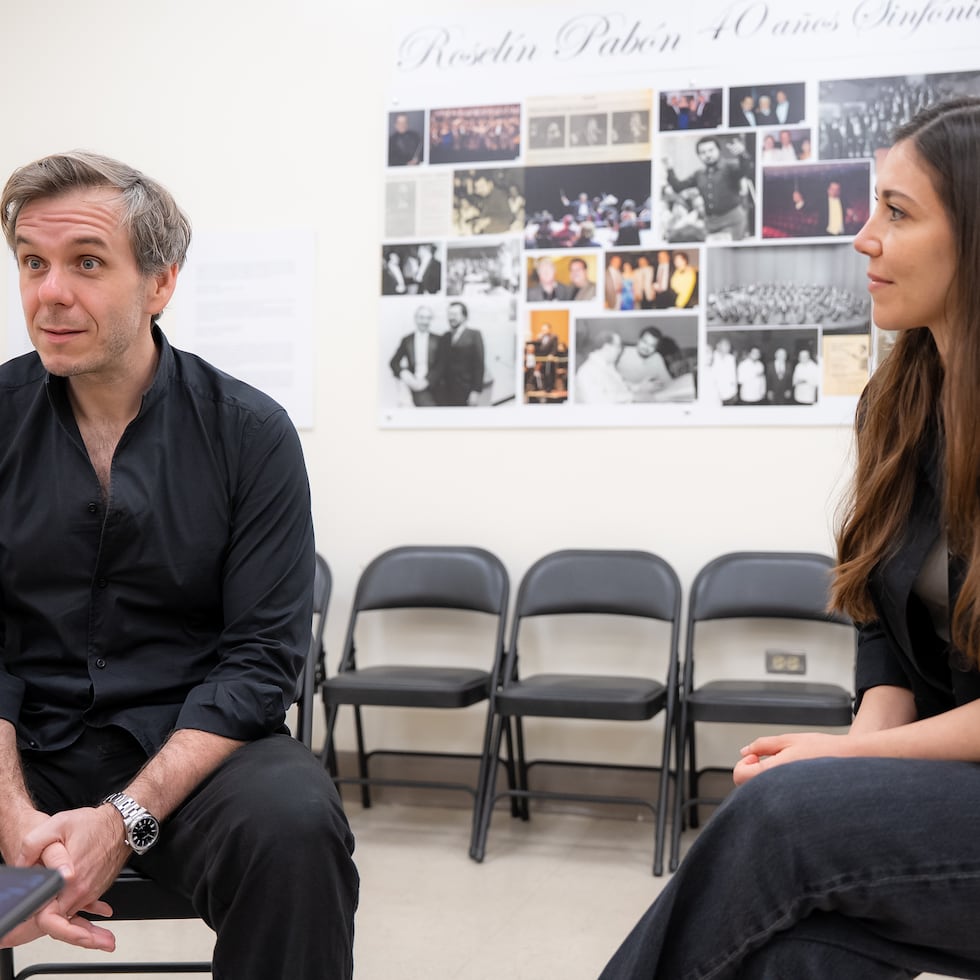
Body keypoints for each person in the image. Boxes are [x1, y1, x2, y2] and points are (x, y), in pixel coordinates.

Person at [601, 96, 980, 980]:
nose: (864, 239)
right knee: (801, 957)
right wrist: (857, 750)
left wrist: (850, 760)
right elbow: (886, 631)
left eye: (897, 212)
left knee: (784, 815)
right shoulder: (904, 405)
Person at [0, 151, 357, 976]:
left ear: (160, 284)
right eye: (32, 262)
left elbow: (262, 661)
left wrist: (123, 817)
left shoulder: (250, 434)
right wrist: (15, 818)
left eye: (86, 263)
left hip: (190, 749)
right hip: (25, 742)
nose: (50, 293)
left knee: (294, 826)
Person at [664, 136, 753, 242]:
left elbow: (746, 170)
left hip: (732, 220)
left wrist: (742, 154)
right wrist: (669, 167)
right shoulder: (699, 174)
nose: (707, 155)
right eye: (703, 152)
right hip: (710, 223)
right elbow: (678, 187)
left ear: (718, 150)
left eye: (711, 150)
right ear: (699, 156)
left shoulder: (730, 167)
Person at [389, 304, 443, 406]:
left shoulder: (439, 340)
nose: (424, 321)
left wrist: (427, 381)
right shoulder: (407, 340)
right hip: (414, 385)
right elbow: (393, 362)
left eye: (428, 318)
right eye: (421, 317)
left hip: (435, 385)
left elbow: (441, 365)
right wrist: (406, 375)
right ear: (416, 319)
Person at [438, 300, 485, 406]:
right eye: (449, 314)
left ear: (464, 316)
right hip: (446, 391)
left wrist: (475, 391)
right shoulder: (445, 336)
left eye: (454, 314)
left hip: (466, 390)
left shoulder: (474, 335)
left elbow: (479, 365)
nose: (451, 317)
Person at [574, 331, 633, 404]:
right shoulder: (586, 372)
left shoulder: (608, 366)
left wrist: (639, 387)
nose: (620, 351)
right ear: (606, 347)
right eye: (618, 347)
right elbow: (598, 402)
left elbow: (620, 386)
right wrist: (633, 397)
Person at [615, 326, 672, 398]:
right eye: (645, 342)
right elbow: (610, 379)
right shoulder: (622, 352)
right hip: (624, 395)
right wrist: (639, 387)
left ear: (656, 348)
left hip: (647, 397)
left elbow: (667, 381)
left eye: (652, 345)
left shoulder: (657, 357)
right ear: (638, 340)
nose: (646, 347)